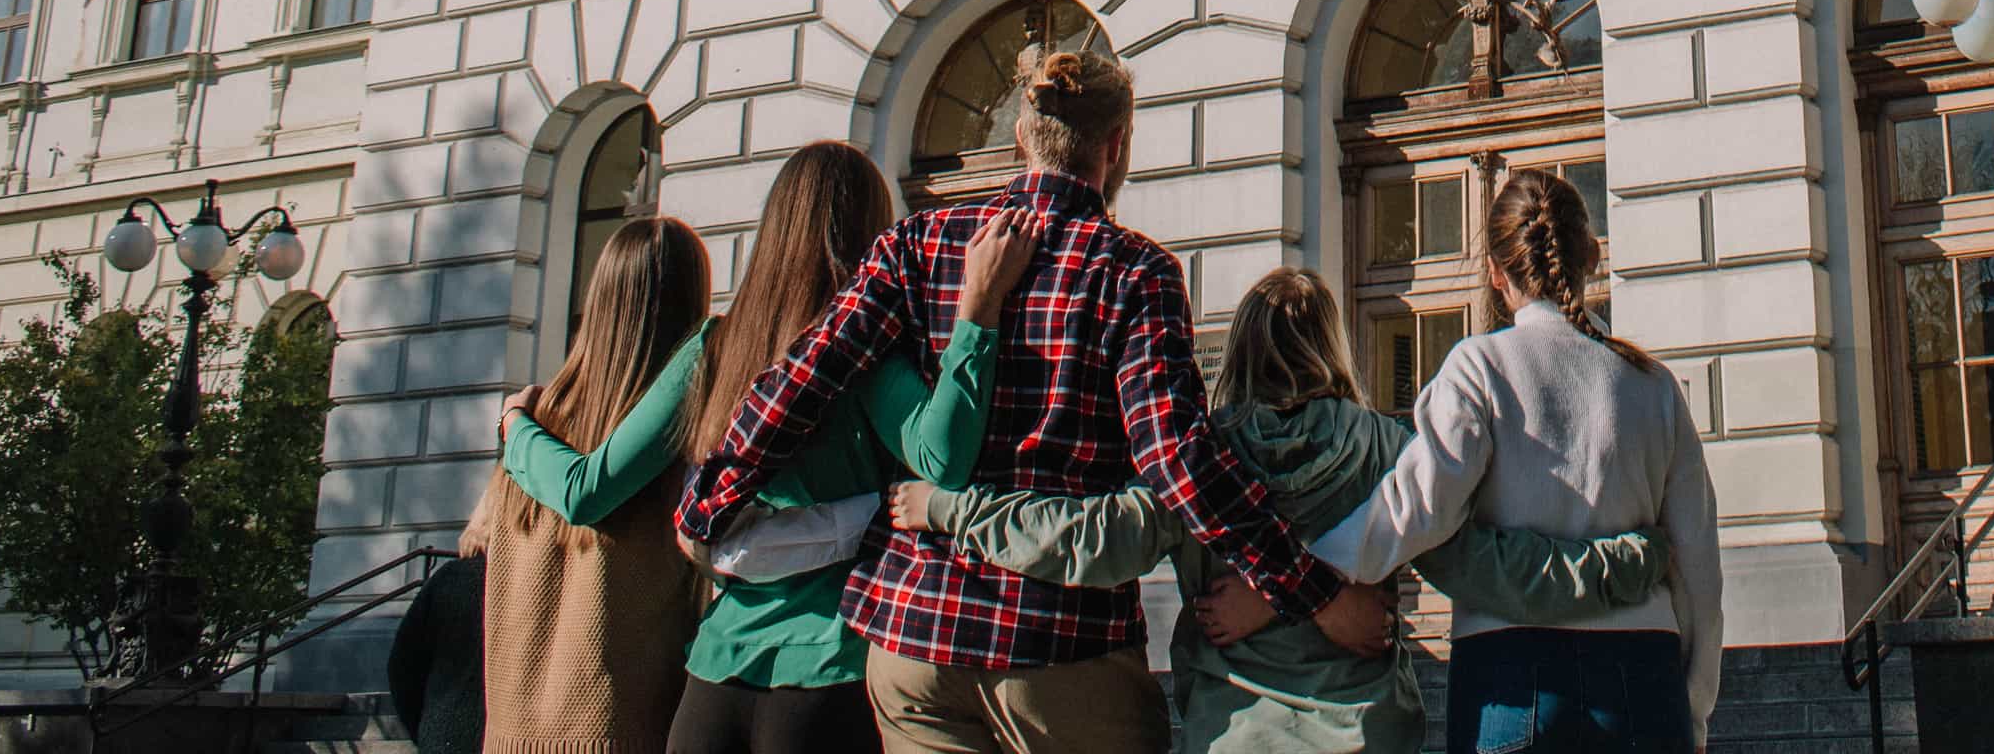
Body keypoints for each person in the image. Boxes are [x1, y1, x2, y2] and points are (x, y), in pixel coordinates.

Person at [679, 45, 1391, 754]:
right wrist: (1315, 594)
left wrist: (710, 499)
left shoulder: (916, 244)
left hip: (917, 633)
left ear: (1021, 137)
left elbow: (805, 372)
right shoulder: (1135, 272)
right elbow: (1177, 460)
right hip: (1061, 642)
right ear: (1116, 147)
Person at [893, 266, 1670, 753]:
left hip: (1232, 734)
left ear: (1241, 351)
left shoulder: (1199, 458)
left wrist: (949, 507)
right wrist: (1628, 562)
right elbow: (1491, 568)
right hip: (1368, 734)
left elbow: (1090, 540)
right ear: (1333, 345)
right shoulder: (1384, 449)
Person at [498, 142, 1037, 754]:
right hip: (835, 666)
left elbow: (585, 490)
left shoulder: (715, 347)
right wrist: (979, 312)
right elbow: (944, 459)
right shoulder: (862, 351)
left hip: (714, 678)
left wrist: (516, 427)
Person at [1230, 169, 1721, 754]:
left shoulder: (1478, 369)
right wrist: (1692, 708)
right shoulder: (1654, 386)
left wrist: (1292, 578)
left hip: (1512, 675)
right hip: (1645, 669)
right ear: (1591, 256)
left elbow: (1413, 511)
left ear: (1494, 270)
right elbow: (1699, 569)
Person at [459, 215, 712, 754]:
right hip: (620, 732)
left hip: (509, 735)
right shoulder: (675, 441)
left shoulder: (531, 429)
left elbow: (476, 546)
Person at [386, 550, 485, 754]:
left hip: (445, 731)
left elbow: (403, 666)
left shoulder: (451, 577)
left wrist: (427, 725)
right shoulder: (539, 579)